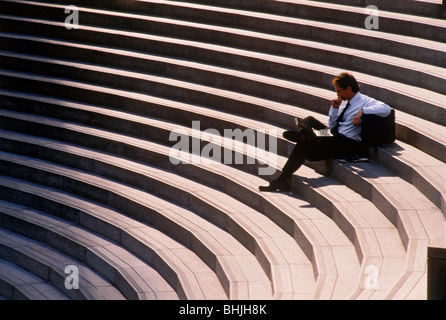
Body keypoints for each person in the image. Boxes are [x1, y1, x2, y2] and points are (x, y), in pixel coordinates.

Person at [259, 72, 391, 192]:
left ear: (349, 89)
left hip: (347, 142)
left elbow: (386, 109)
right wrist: (334, 109)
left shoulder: (365, 101)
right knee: (309, 120)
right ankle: (303, 136)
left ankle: (283, 176)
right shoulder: (344, 102)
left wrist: (362, 111)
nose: (337, 94)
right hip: (335, 135)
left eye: (339, 91)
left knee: (304, 145)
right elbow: (332, 125)